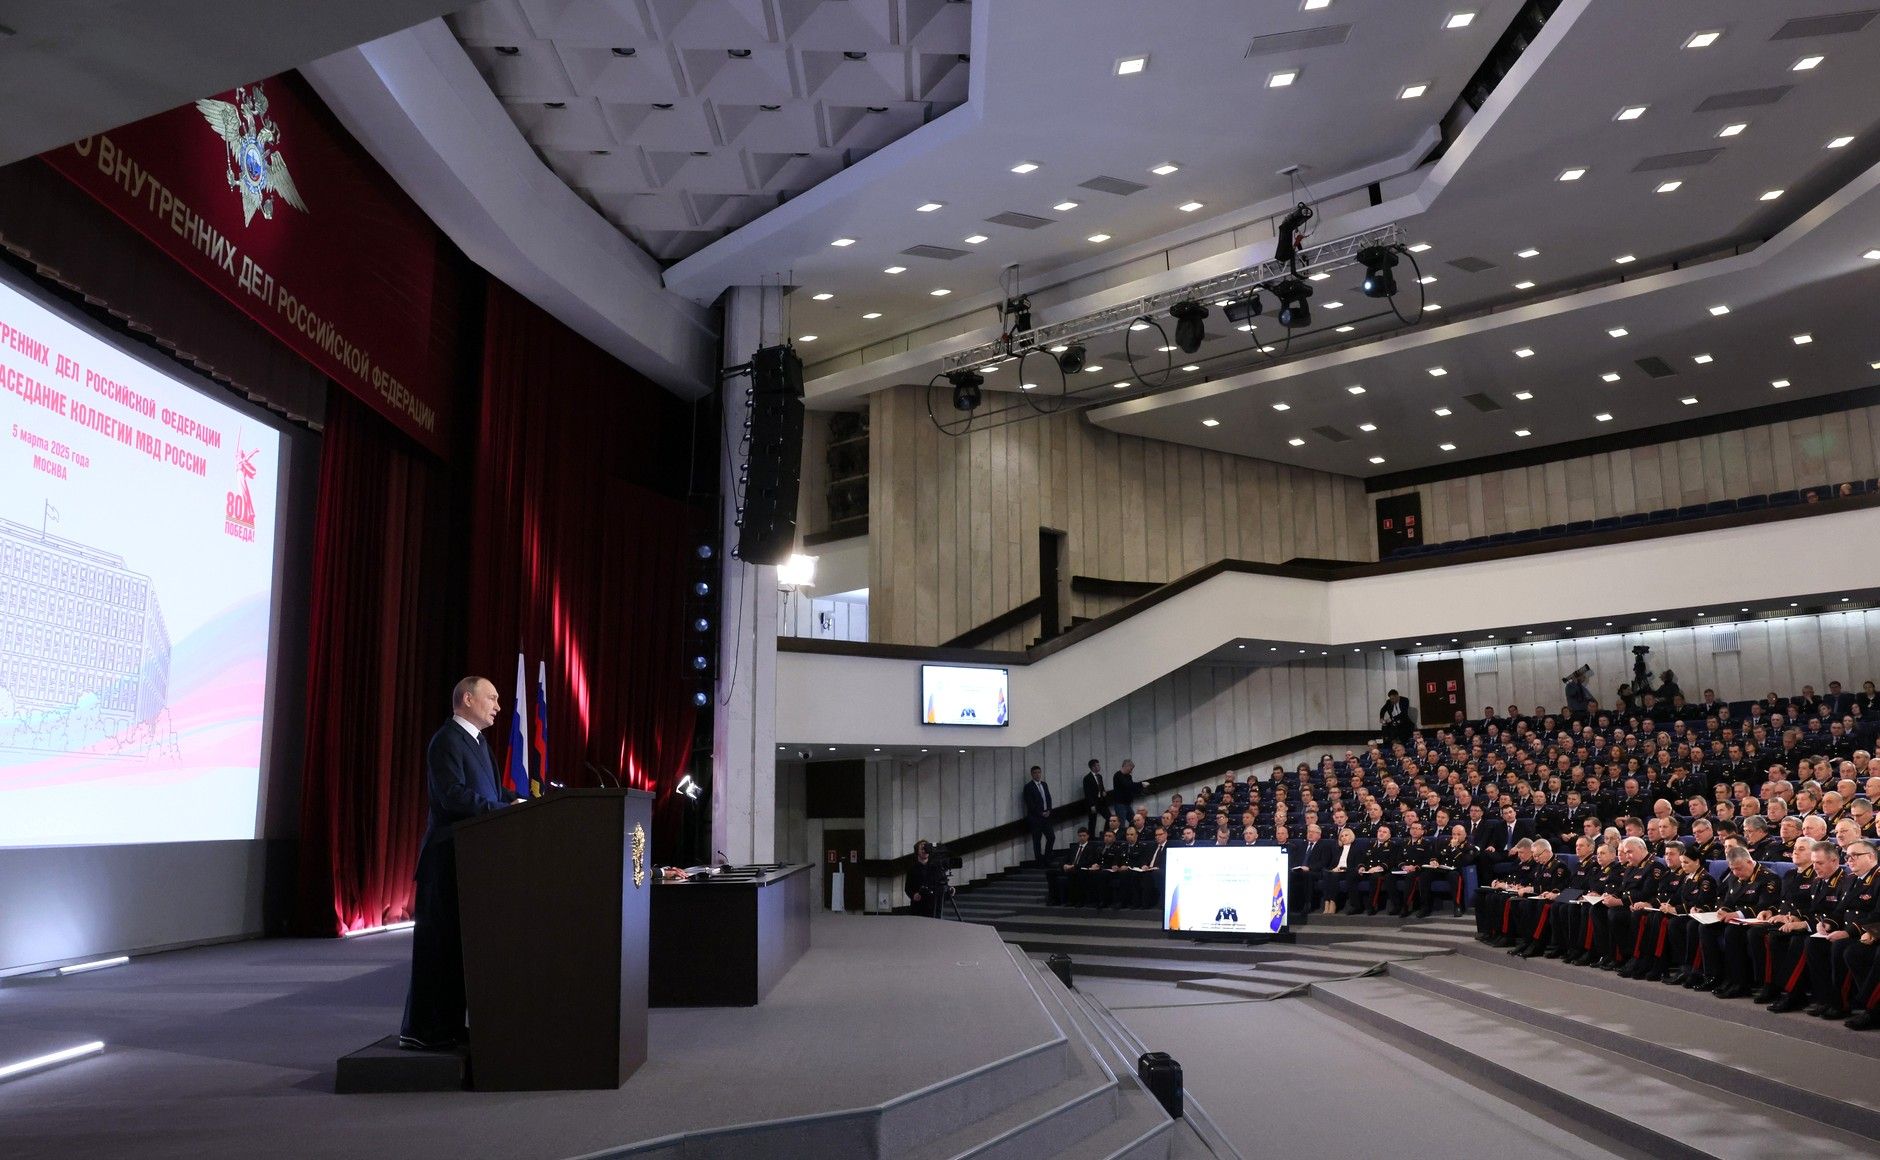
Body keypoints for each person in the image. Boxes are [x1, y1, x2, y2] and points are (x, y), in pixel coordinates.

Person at [401, 676, 517, 1052]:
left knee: (457, 950)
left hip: (469, 862)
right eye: (492, 698)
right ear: (467, 699)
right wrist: (502, 810)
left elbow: (493, 792)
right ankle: (420, 1030)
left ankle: (447, 1026)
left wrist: (523, 804)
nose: (498, 706)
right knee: (436, 949)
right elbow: (452, 797)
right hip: (445, 860)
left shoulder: (479, 743)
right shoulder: (446, 740)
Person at [905, 840, 953, 918]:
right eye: (922, 849)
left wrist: (949, 889)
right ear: (917, 851)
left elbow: (941, 882)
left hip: (933, 906)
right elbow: (907, 887)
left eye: (926, 849)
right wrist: (913, 895)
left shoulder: (936, 867)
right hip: (918, 907)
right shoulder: (912, 868)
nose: (924, 851)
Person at [1023, 765, 1055, 861]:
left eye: (1039, 772)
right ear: (1032, 774)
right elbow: (1030, 803)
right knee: (1037, 840)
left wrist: (1049, 810)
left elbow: (1048, 798)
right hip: (1035, 817)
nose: (1037, 774)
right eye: (1035, 773)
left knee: (1051, 837)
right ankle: (1039, 860)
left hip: (1046, 816)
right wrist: (1040, 813)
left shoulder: (1044, 784)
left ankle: (1047, 856)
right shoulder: (1028, 787)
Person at [1082, 758, 1110, 835]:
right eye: (1097, 765)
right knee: (1092, 821)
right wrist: (1091, 805)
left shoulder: (1099, 776)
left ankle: (1105, 834)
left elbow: (1101, 787)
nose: (1099, 767)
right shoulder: (1087, 778)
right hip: (1093, 802)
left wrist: (1103, 792)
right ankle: (1091, 837)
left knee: (1109, 818)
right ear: (1093, 767)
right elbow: (1087, 793)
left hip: (1101, 801)